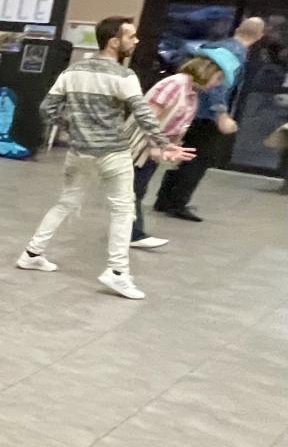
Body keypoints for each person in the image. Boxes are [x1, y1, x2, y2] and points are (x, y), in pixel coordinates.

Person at [16, 15, 193, 300]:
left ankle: (32, 253)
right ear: (113, 42)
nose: (136, 41)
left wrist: (73, 127)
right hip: (113, 152)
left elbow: (47, 109)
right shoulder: (124, 76)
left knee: (66, 202)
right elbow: (143, 113)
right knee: (123, 210)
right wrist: (164, 143)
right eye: (130, 36)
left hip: (79, 151)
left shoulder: (73, 71)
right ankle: (117, 272)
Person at [153, 17, 260, 222]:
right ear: (259, 36)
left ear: (238, 28)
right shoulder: (234, 54)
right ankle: (177, 202)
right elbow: (219, 85)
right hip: (207, 116)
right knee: (198, 159)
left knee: (183, 155)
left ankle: (164, 199)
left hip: (193, 110)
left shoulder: (216, 46)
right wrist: (222, 114)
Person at [131, 56, 225, 250]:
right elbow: (148, 116)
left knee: (135, 190)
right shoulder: (175, 84)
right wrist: (156, 145)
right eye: (217, 78)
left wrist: (170, 146)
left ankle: (131, 232)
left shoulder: (191, 91)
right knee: (134, 190)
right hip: (141, 145)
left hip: (155, 146)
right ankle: (133, 233)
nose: (217, 84)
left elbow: (178, 123)